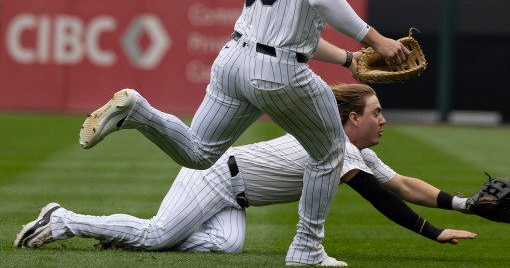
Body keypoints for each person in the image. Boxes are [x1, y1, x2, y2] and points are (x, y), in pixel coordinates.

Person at [75, 0, 408, 267]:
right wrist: (375, 39)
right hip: (278, 69)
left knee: (199, 154)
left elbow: (290, 22)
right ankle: (306, 249)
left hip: (233, 58)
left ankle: (140, 111)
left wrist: (349, 58)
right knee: (331, 151)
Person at [14, 84, 476, 257]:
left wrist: (464, 204)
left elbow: (403, 185)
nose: (383, 120)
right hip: (216, 174)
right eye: (376, 112)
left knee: (228, 245)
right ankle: (62, 219)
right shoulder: (337, 147)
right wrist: (432, 234)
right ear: (352, 120)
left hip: (235, 195)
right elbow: (383, 199)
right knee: (157, 234)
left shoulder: (354, 151)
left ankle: (117, 233)